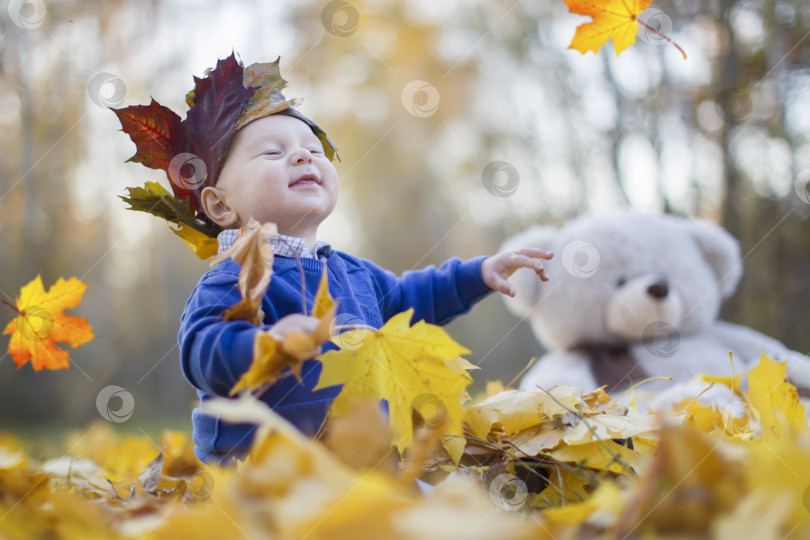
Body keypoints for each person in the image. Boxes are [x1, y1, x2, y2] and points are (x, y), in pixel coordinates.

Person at [113, 53, 552, 465]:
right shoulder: (236, 278)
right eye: (272, 152)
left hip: (358, 464)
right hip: (261, 475)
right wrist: (266, 346)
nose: (303, 155)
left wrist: (477, 274)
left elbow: (413, 298)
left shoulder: (355, 273)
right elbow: (200, 351)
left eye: (314, 149)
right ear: (220, 206)